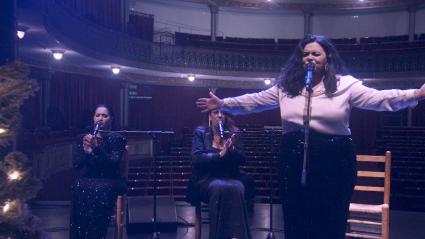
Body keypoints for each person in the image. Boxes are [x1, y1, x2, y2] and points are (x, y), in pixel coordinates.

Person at [196, 34, 425, 239]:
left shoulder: (346, 85)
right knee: (297, 215)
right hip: (293, 157)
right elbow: (256, 100)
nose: (310, 58)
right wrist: (225, 103)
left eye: (316, 53)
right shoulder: (287, 87)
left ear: (327, 58)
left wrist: (415, 94)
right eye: (305, 54)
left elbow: (379, 99)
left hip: (335, 157)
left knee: (330, 216)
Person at [186, 109, 254, 239]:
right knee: (219, 187)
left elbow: (242, 159)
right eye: (216, 112)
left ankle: (236, 236)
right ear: (210, 116)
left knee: (238, 188)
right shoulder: (200, 133)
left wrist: (232, 149)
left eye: (223, 112)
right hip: (206, 179)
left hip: (231, 177)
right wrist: (219, 155)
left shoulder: (234, 133)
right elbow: (196, 158)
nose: (220, 115)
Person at [69, 104, 127, 239]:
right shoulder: (82, 138)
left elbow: (113, 165)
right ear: (93, 118)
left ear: (111, 119)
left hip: (111, 178)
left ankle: (97, 235)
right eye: (98, 115)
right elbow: (77, 165)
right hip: (90, 178)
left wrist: (96, 149)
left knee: (99, 189)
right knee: (78, 186)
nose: (101, 118)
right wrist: (86, 153)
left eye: (105, 115)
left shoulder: (117, 139)